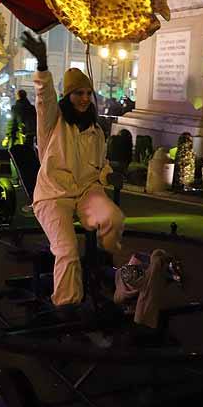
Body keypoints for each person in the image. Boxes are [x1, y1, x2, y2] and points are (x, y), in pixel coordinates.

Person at [21, 31, 125, 308]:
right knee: (67, 251)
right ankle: (66, 306)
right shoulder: (53, 123)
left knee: (113, 217)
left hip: (86, 192)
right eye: (79, 93)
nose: (84, 98)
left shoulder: (95, 130)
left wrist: (107, 174)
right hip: (54, 196)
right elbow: (44, 99)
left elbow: (98, 165)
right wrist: (42, 66)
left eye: (88, 93)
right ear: (68, 96)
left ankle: (104, 257)